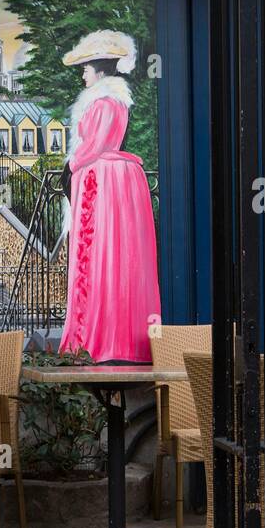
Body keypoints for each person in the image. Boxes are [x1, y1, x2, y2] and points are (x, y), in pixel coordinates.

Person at [58, 29, 161, 363]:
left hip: (100, 184)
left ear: (100, 69)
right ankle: (114, 335)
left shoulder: (103, 103)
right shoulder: (112, 101)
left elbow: (95, 145)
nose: (83, 73)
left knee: (99, 253)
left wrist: (71, 166)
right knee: (117, 257)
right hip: (112, 183)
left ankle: (98, 337)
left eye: (87, 67)